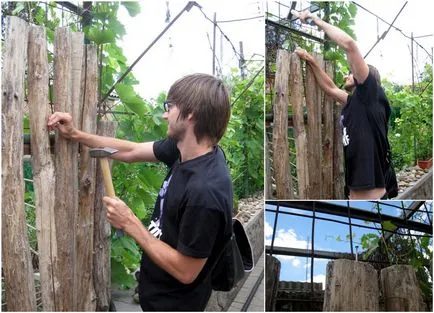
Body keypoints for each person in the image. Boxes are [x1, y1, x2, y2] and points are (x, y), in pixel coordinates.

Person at [47, 73, 233, 311]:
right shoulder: (184, 150)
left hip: (175, 304)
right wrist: (76, 135)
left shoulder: (205, 192)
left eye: (170, 106)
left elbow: (187, 272)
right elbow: (132, 151)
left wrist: (130, 223)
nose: (165, 113)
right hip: (158, 292)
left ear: (190, 114)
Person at [294, 10, 391, 200]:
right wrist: (311, 60)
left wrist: (314, 18)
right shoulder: (355, 102)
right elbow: (330, 88)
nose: (347, 75)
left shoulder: (370, 94)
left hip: (370, 194)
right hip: (356, 191)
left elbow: (349, 45)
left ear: (363, 78)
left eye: (350, 72)